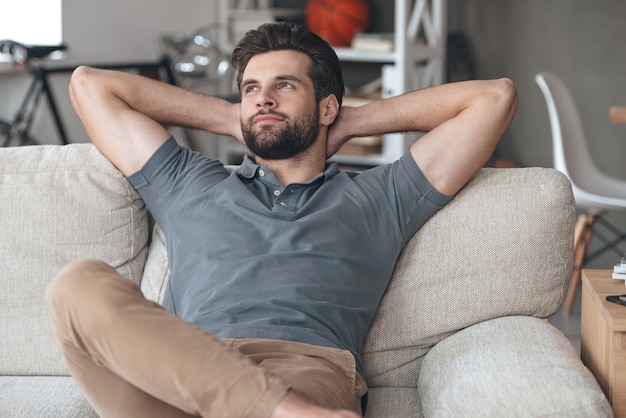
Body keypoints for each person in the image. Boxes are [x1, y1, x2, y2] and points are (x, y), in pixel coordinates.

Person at [45, 22, 517, 418]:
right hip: (184, 374)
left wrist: (351, 122)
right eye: (252, 89)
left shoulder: (380, 196)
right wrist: (230, 115)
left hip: (304, 369)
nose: (263, 100)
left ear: (327, 106)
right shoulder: (188, 182)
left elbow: (493, 99)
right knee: (77, 284)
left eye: (284, 86)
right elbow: (89, 85)